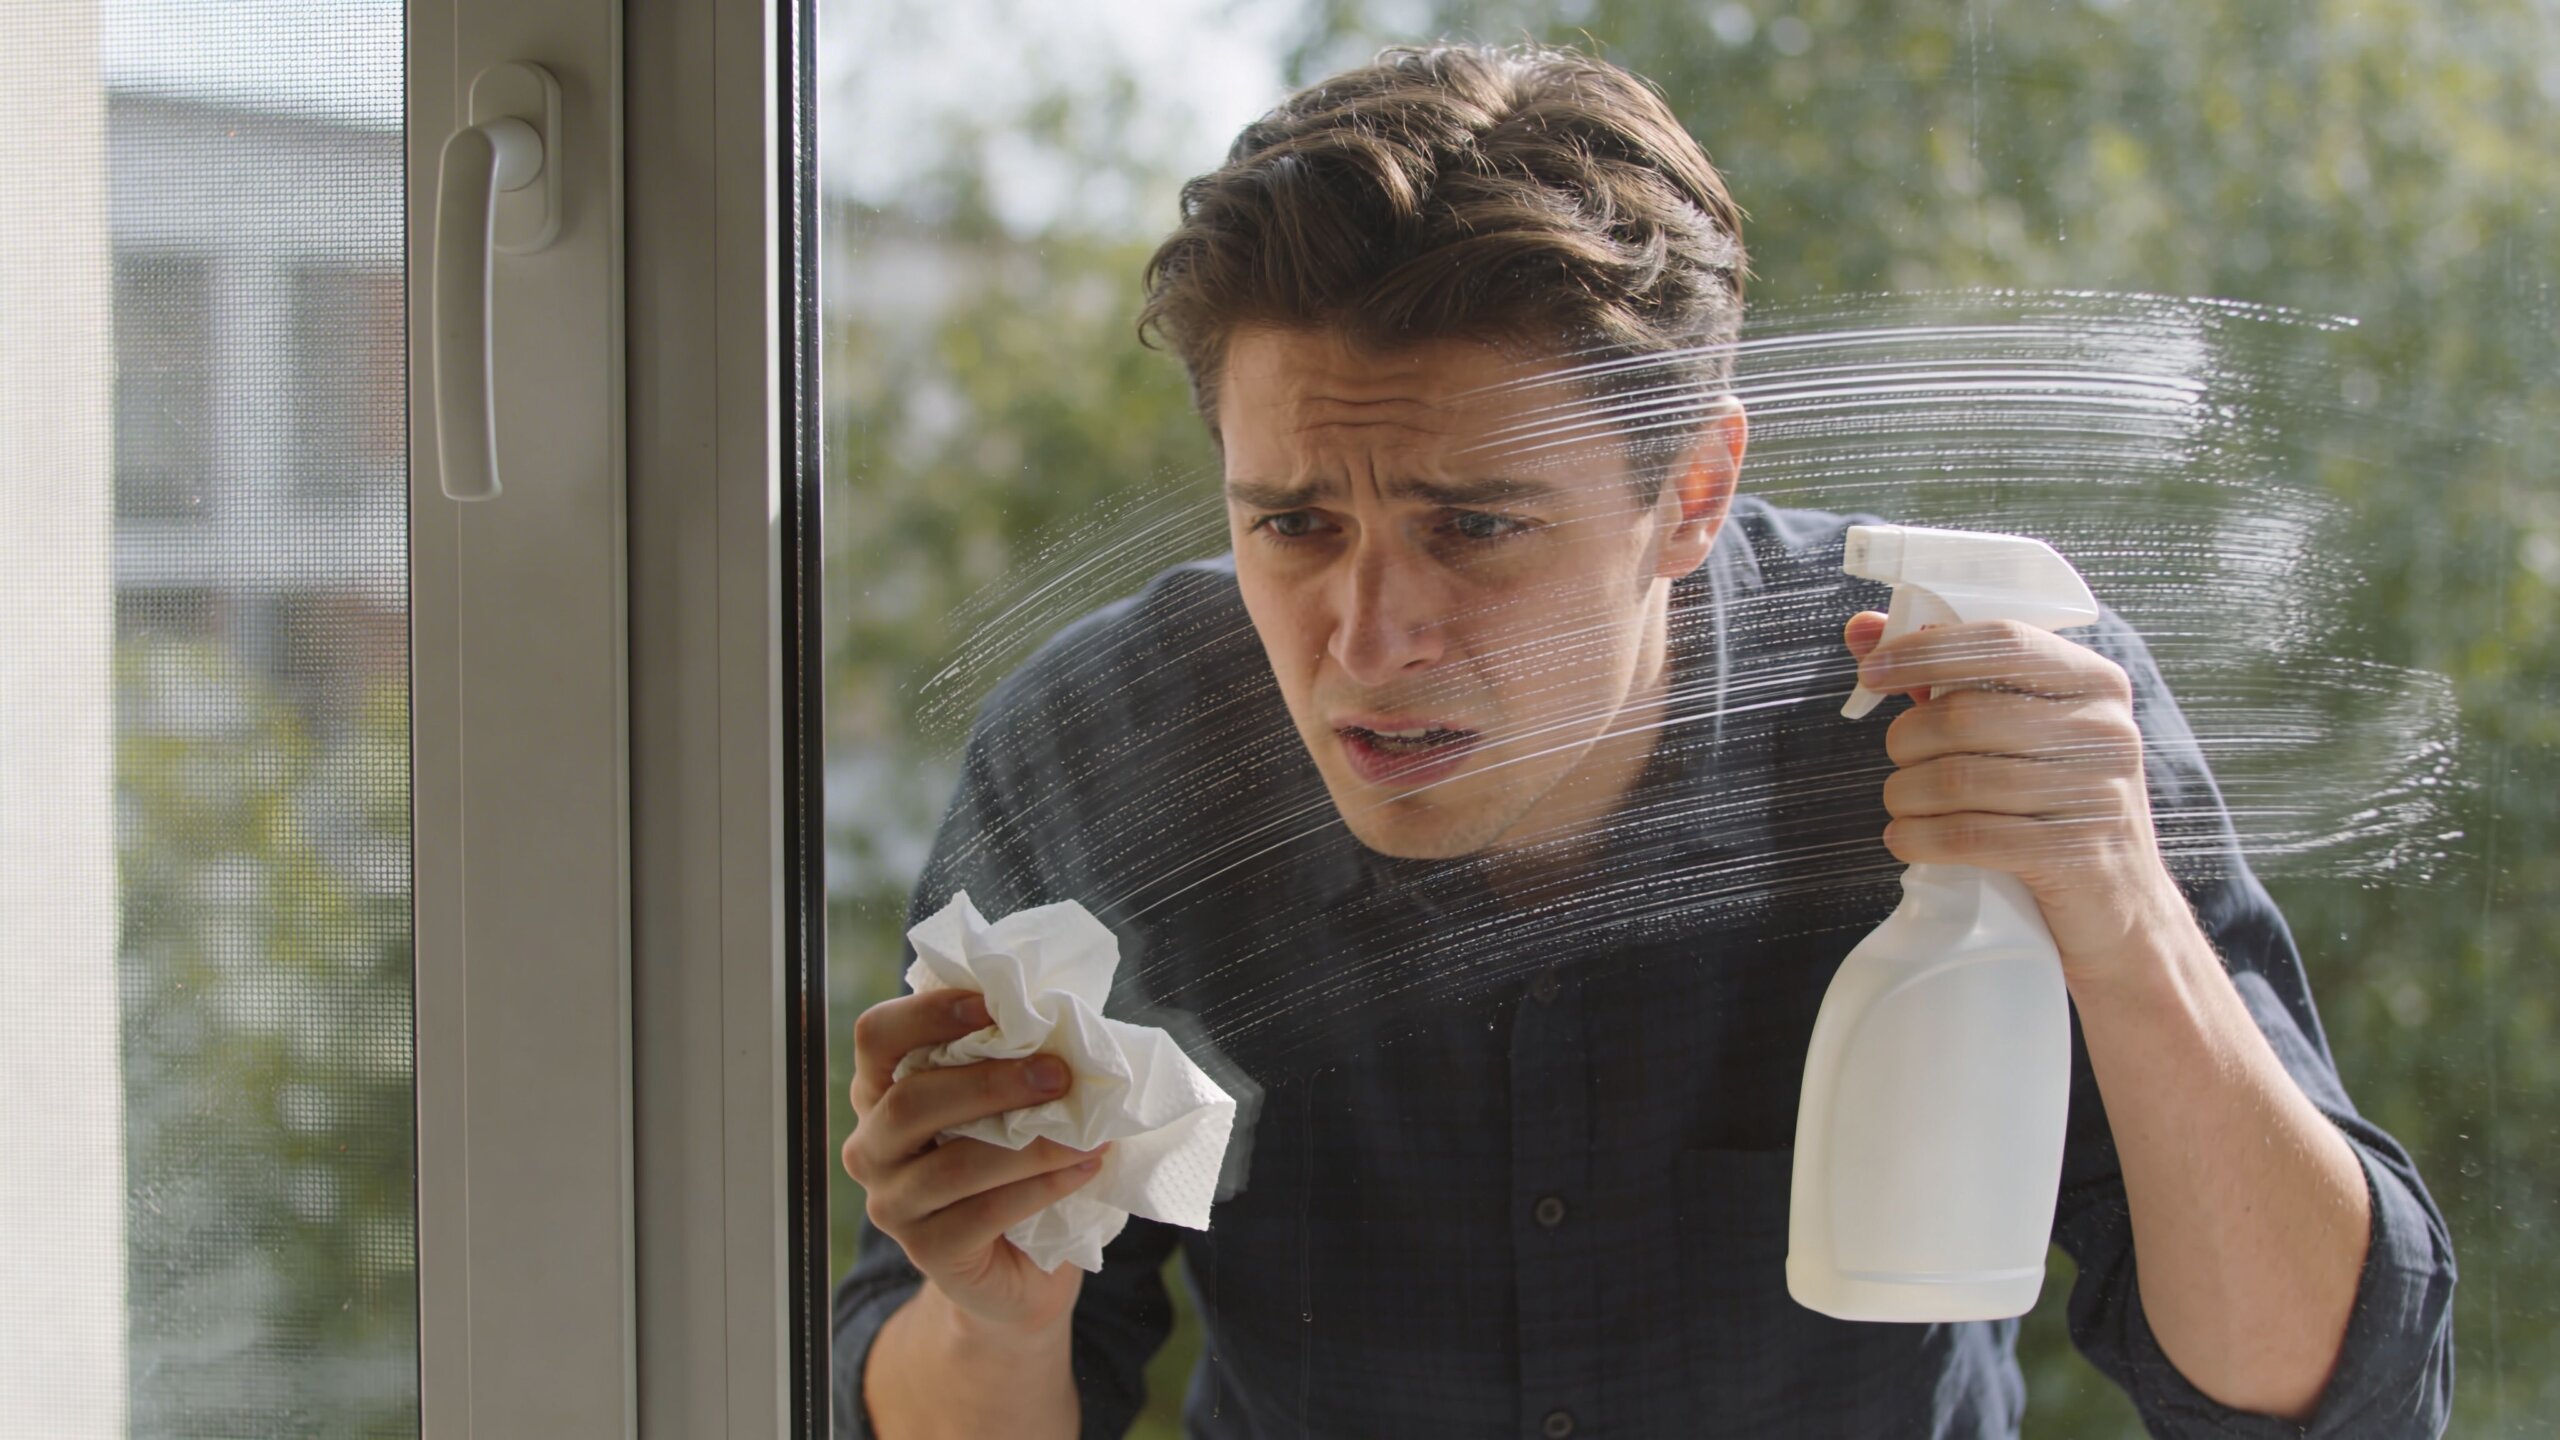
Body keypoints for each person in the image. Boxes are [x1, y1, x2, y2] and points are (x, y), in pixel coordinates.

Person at [832, 43, 2455, 1440]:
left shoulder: (1986, 707)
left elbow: (2330, 1402)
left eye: (1475, 527)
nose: (1367, 637)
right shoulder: (1107, 754)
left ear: (1689, 496)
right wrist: (994, 1317)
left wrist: (2120, 909)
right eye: (1294, 524)